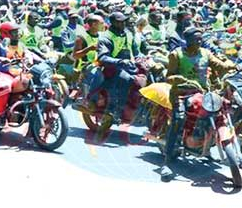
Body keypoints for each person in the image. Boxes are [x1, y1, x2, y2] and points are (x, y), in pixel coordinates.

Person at [159, 26, 234, 181]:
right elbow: (169, 77)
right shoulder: (176, 54)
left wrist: (232, 65)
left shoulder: (205, 53)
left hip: (202, 93)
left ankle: (207, 146)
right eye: (196, 39)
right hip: (181, 93)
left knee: (217, 111)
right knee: (178, 120)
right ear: (187, 40)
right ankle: (167, 162)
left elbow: (218, 65)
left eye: (201, 39)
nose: (199, 42)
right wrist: (178, 79)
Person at [96, 12, 141, 127]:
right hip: (111, 68)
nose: (123, 23)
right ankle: (115, 109)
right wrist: (120, 61)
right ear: (113, 22)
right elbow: (102, 57)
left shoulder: (128, 34)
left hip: (129, 65)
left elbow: (136, 52)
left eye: (124, 20)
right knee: (127, 79)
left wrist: (142, 58)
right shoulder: (106, 37)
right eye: (120, 21)